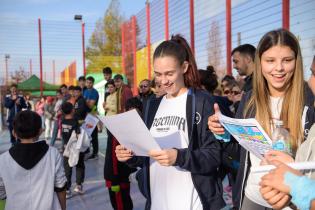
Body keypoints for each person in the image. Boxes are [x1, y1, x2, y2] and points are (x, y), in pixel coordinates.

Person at [208, 29, 315, 209]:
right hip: (253, 196)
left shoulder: (309, 100)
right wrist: (224, 133)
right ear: (260, 63)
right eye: (270, 61)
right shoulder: (249, 99)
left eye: (287, 60)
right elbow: (240, 152)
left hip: (291, 201)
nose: (279, 68)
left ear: (297, 62)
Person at [115, 35, 224, 210]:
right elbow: (146, 155)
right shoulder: (151, 105)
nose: (163, 81)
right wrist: (130, 155)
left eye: (169, 73)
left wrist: (179, 157)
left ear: (184, 67)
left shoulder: (202, 102)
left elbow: (213, 156)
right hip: (157, 202)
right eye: (158, 74)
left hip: (192, 203)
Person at [0, 110, 66, 210]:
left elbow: (2, 192)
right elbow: (61, 187)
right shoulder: (53, 154)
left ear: (14, 133)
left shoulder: (3, 159)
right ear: (40, 131)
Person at [103, 85, 137, 210]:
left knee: (126, 202)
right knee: (120, 205)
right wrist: (115, 179)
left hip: (123, 175)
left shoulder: (131, 127)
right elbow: (113, 156)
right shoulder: (118, 129)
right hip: (115, 176)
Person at [60, 102, 85, 198]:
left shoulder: (62, 121)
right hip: (76, 148)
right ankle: (78, 186)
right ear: (72, 110)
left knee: (67, 168)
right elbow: (78, 134)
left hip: (66, 147)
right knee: (79, 166)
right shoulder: (75, 122)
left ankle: (67, 190)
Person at [83, 76, 99, 159]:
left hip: (92, 116)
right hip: (86, 116)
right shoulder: (84, 91)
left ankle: (95, 153)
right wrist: (86, 101)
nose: (88, 84)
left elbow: (90, 105)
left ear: (93, 83)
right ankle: (87, 151)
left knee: (93, 136)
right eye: (87, 82)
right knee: (86, 135)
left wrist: (85, 101)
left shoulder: (94, 92)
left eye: (90, 82)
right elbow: (85, 103)